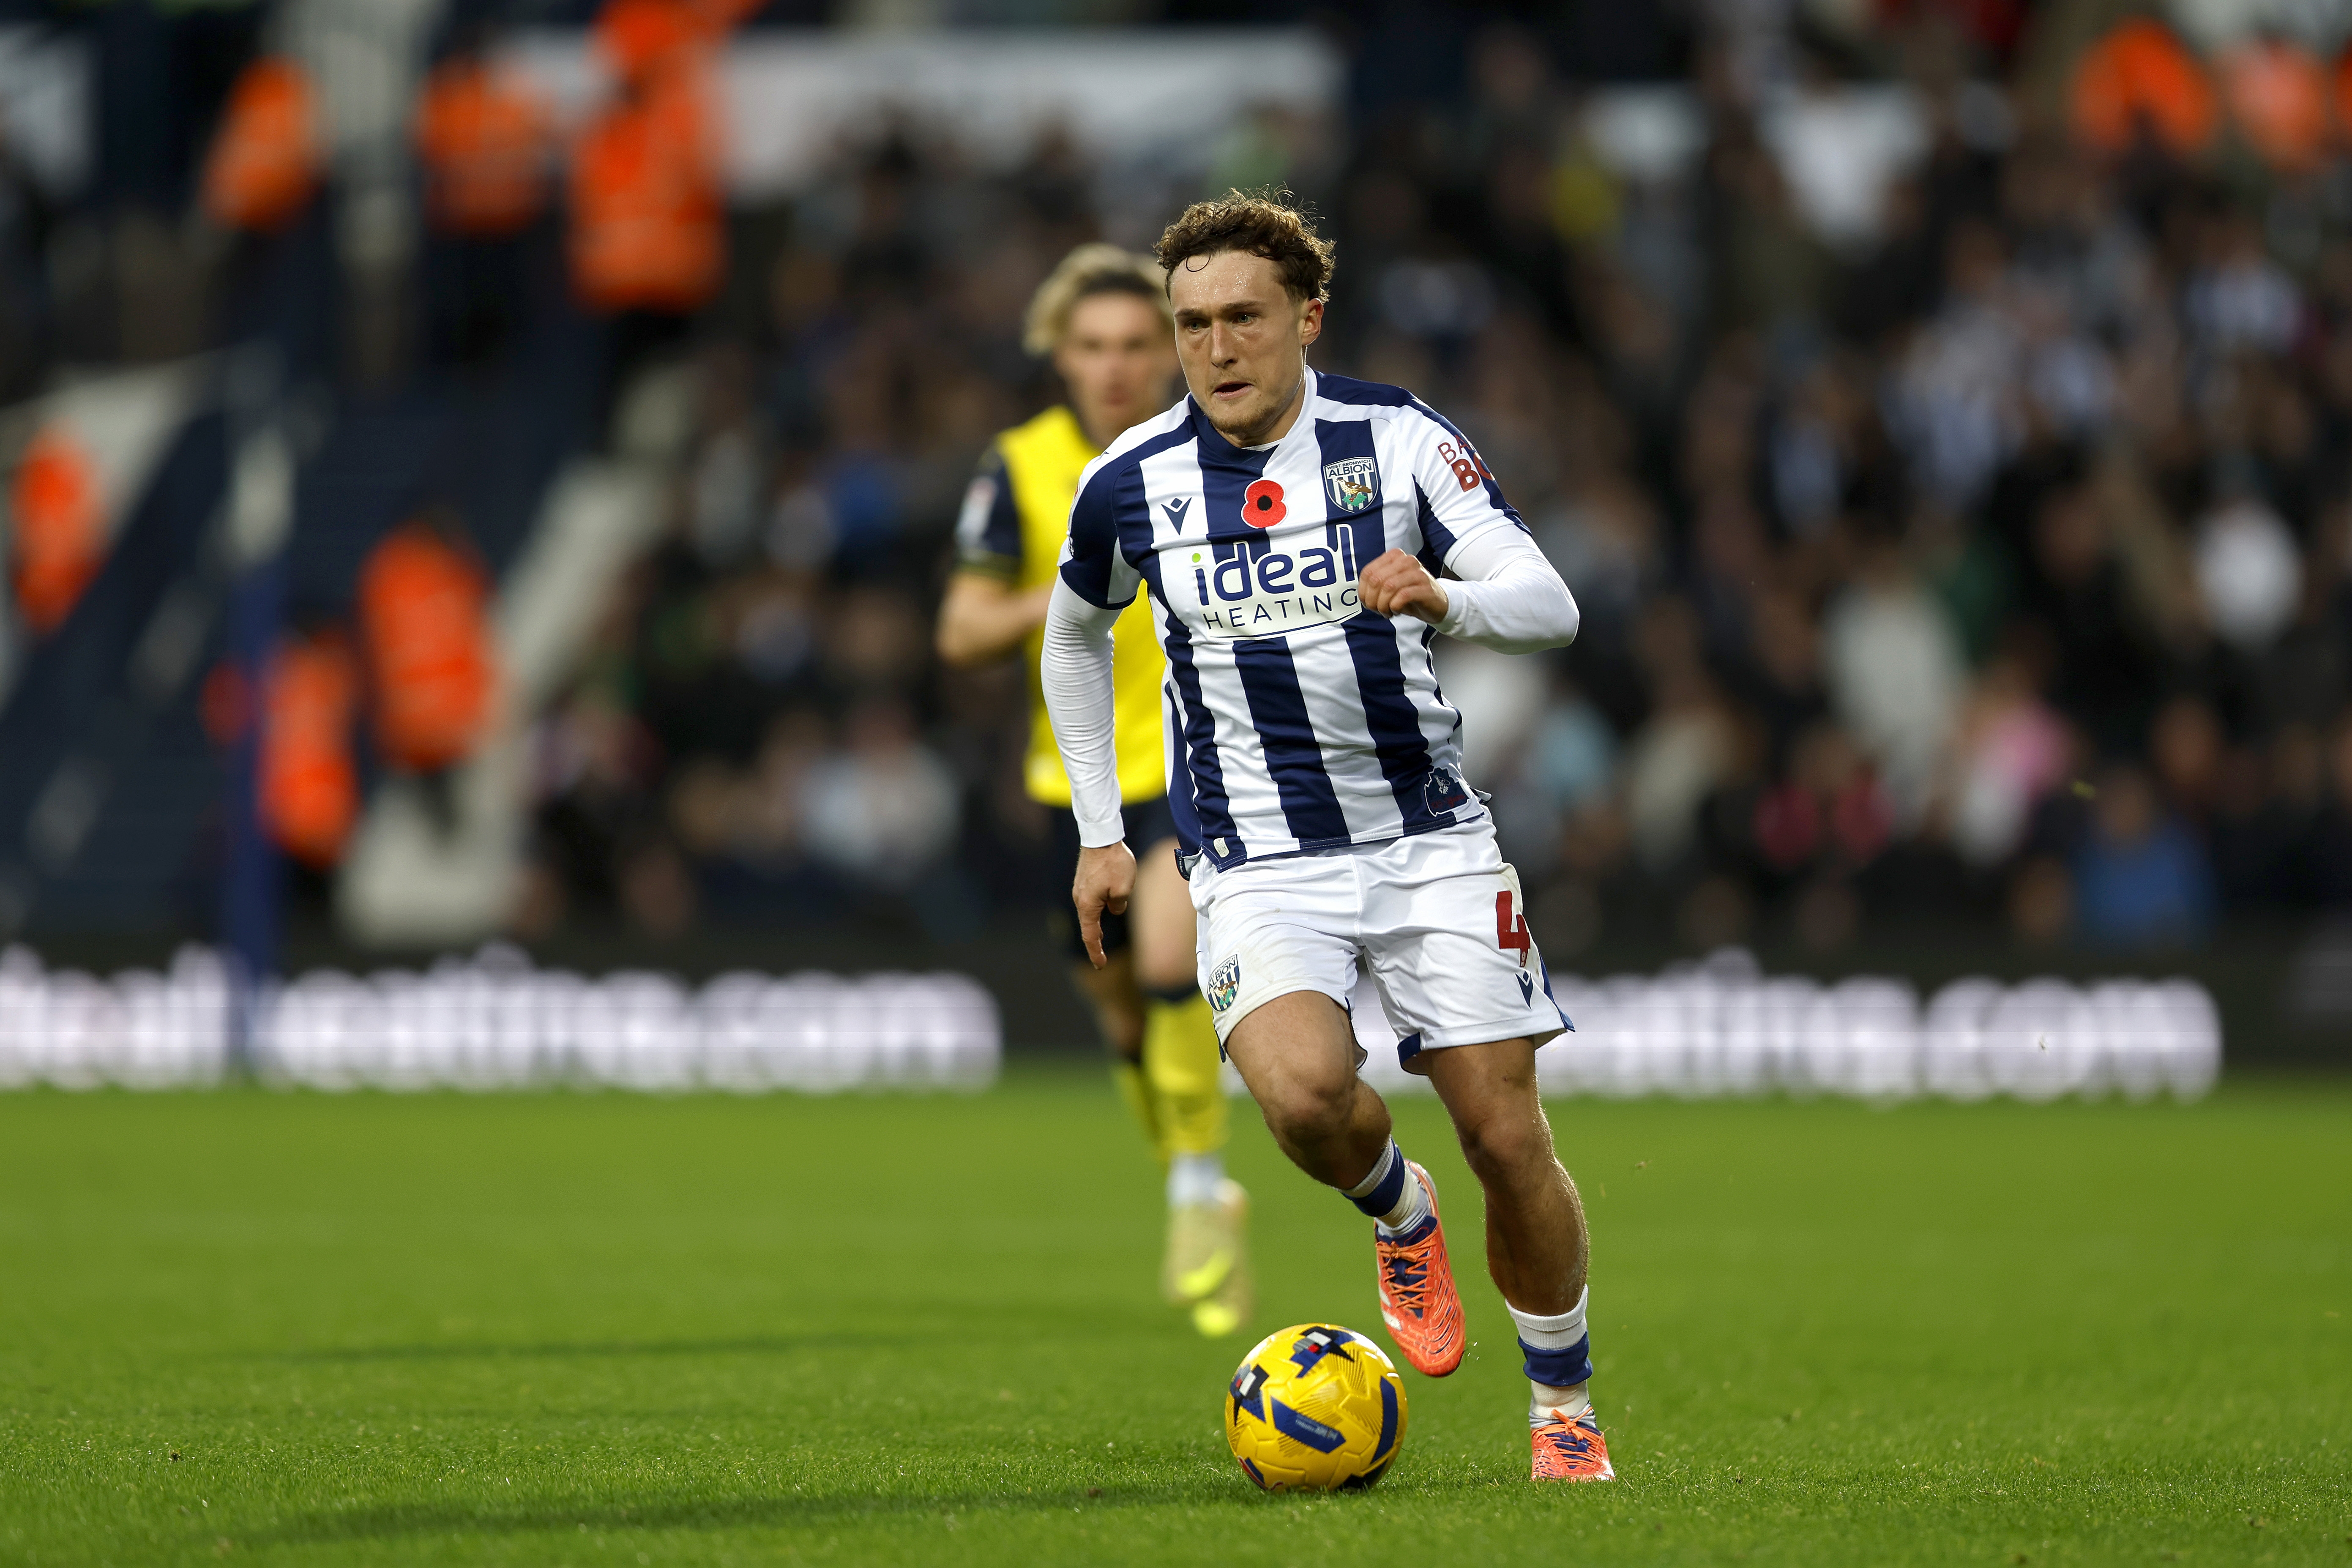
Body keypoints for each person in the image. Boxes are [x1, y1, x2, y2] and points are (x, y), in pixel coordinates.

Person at [1040, 193, 1609, 1481]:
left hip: (1428, 845)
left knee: (1508, 1139)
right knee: (1302, 1098)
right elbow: (1073, 639)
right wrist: (1098, 834)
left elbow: (1550, 603)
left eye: (1243, 317)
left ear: (1306, 318)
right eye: (1192, 324)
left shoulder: (1395, 438)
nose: (1216, 347)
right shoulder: (1130, 481)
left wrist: (1447, 593)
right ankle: (1398, 1213)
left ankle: (1563, 1403)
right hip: (1256, 859)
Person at [937, 244, 1250, 1337]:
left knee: (1168, 959)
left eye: (1134, 345)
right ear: (1059, 356)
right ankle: (1201, 1182)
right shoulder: (1023, 466)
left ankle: (1196, 1192)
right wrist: (1078, 586)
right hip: (1071, 787)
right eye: (1093, 347)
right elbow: (962, 628)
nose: (1116, 368)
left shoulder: (1211, 452)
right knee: (1122, 1020)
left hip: (1191, 764)